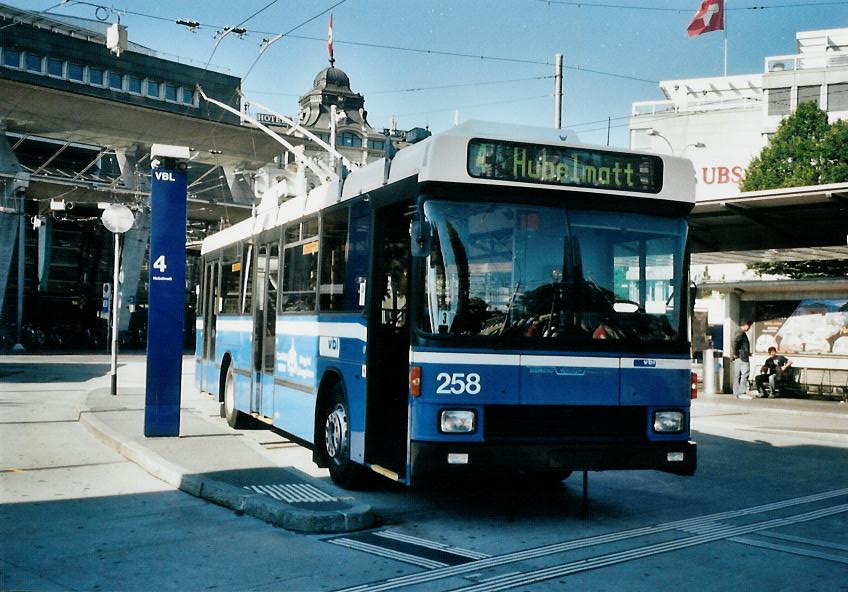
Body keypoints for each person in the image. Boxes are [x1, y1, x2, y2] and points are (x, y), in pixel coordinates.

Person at [731, 320, 752, 398]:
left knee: (737, 375)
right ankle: (741, 392)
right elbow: (735, 341)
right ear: (746, 325)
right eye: (749, 327)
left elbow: (736, 343)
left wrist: (735, 353)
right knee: (745, 373)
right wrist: (735, 353)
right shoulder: (741, 332)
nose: (749, 328)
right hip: (742, 357)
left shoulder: (737, 331)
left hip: (739, 356)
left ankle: (735, 393)